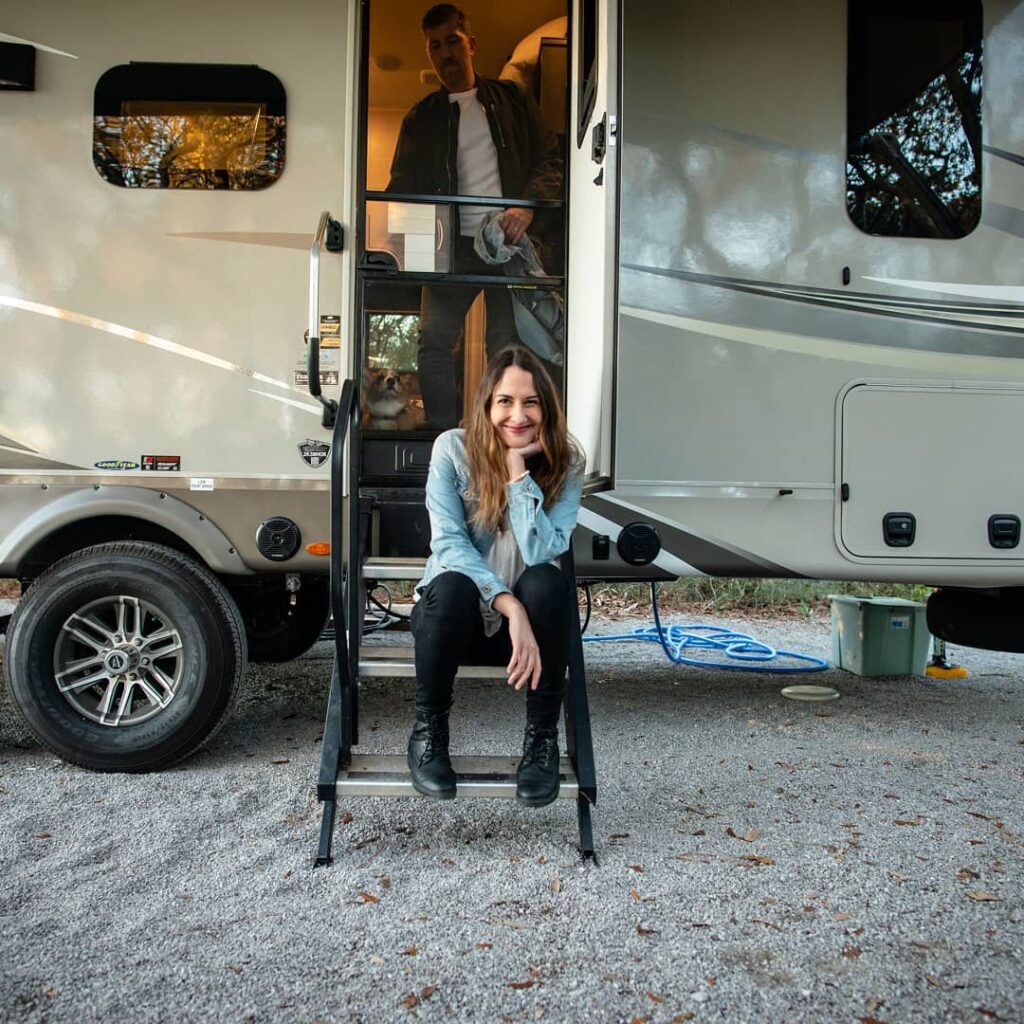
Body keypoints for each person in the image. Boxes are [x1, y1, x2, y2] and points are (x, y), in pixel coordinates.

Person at [408, 345, 584, 806]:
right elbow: (449, 545)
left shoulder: (567, 462)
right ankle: (429, 734)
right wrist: (511, 608)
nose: (518, 415)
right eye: (505, 400)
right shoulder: (452, 449)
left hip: (529, 638)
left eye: (530, 402)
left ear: (546, 408)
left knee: (547, 583)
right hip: (457, 626)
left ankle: (541, 741)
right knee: (450, 587)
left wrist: (516, 472)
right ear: (487, 404)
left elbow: (543, 550)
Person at [387, 4, 563, 429]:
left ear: (471, 45)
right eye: (434, 46)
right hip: (448, 249)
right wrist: (404, 250)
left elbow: (551, 160)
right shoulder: (421, 118)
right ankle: (443, 442)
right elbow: (401, 188)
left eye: (452, 41)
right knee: (433, 343)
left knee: (504, 346)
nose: (444, 53)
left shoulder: (513, 100)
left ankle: (497, 442)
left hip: (507, 246)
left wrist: (526, 206)